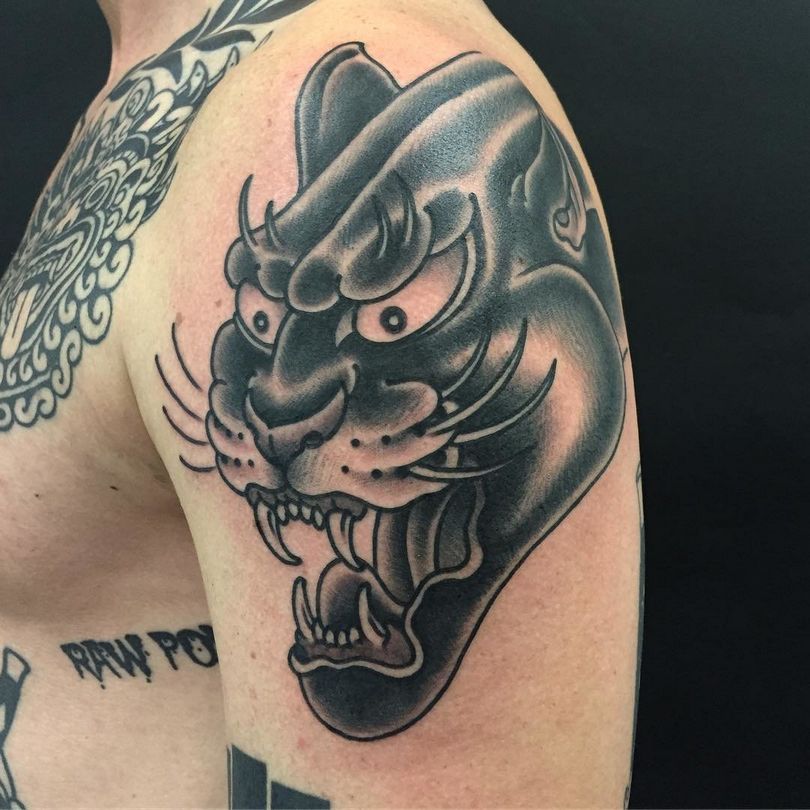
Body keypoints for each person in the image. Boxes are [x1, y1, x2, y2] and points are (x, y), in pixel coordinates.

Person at [0, 0, 643, 805]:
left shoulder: (301, 74)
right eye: (261, 320)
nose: (281, 403)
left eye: (393, 315)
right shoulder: (167, 76)